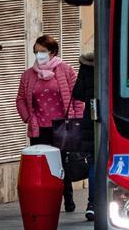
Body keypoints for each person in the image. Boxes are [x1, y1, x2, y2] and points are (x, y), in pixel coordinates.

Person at [15, 35, 84, 212]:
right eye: (36, 51)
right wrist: (28, 118)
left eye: (43, 51)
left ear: (53, 52)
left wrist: (77, 118)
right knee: (41, 166)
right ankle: (44, 200)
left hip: (62, 126)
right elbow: (21, 99)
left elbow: (77, 97)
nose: (39, 55)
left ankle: (68, 198)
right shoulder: (28, 75)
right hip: (39, 127)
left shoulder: (66, 70)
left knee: (62, 164)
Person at [71, 51, 97, 221]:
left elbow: (78, 93)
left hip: (91, 118)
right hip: (118, 117)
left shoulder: (87, 63)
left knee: (95, 162)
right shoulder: (123, 55)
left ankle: (92, 204)